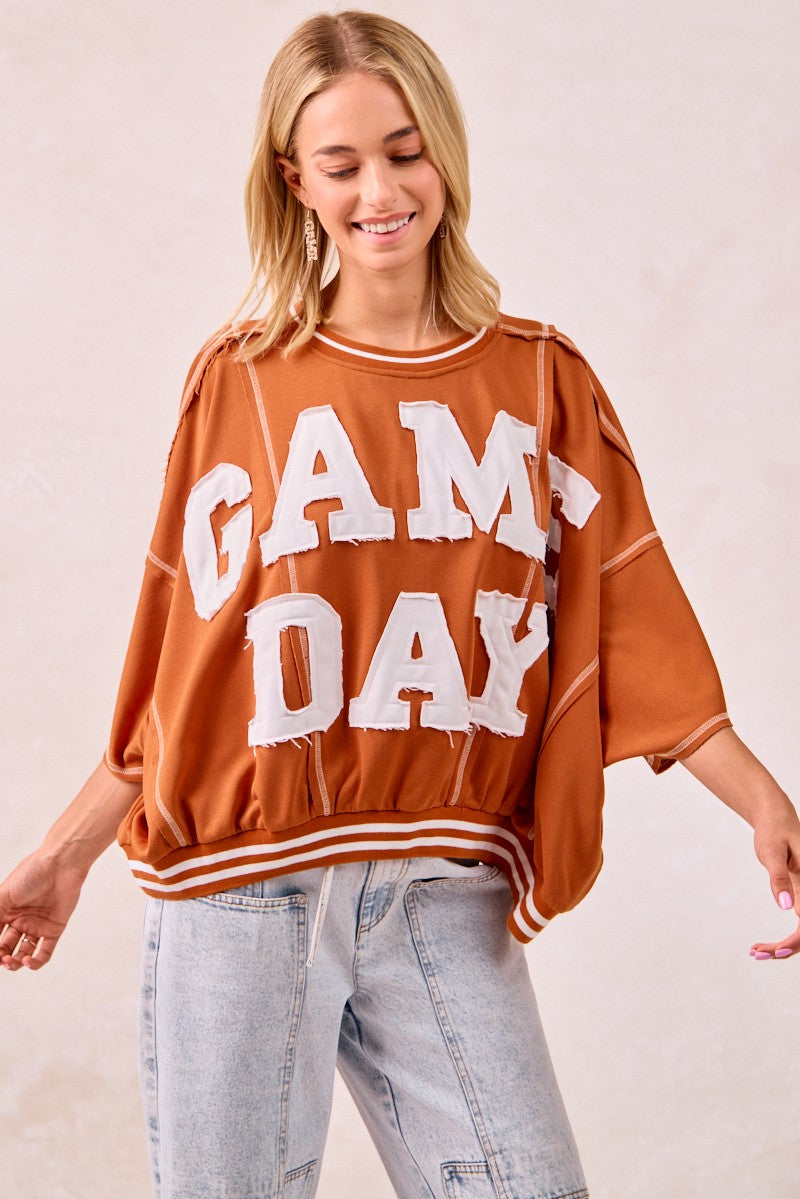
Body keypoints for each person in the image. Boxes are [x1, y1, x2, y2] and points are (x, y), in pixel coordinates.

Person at [1, 10, 798, 1198]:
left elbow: (631, 612)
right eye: (342, 164)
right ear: (297, 182)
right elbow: (184, 671)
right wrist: (63, 855)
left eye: (404, 151)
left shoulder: (541, 380)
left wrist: (762, 802)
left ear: (444, 154)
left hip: (445, 888)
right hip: (242, 887)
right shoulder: (241, 381)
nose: (380, 190)